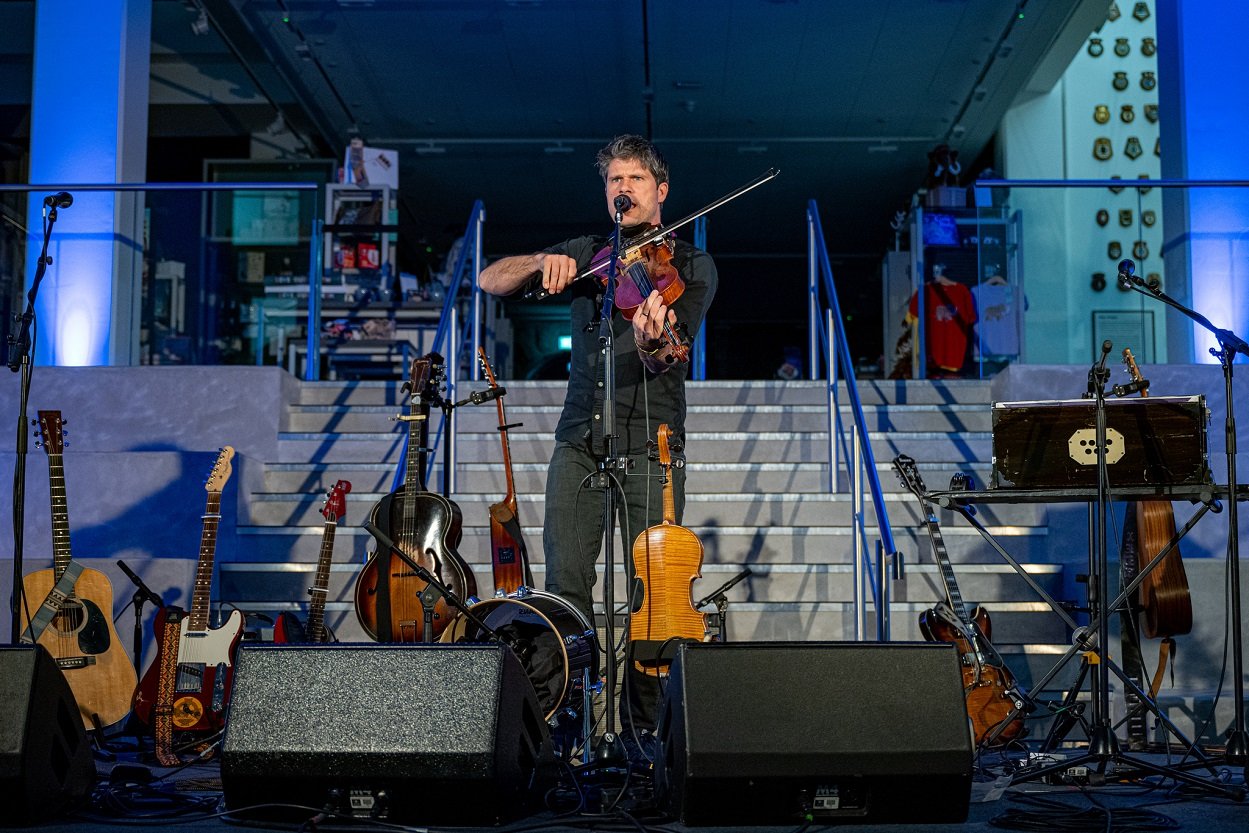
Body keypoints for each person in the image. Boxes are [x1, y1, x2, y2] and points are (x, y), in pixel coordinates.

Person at [478, 134, 717, 762]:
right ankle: (567, 729)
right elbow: (488, 280)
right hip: (579, 442)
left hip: (653, 448)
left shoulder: (688, 265)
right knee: (564, 589)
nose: (623, 188)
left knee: (653, 595)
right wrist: (537, 262)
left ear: (661, 191)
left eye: (636, 178)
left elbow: (667, 352)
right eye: (614, 179)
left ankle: (643, 738)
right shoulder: (585, 255)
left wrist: (650, 333)